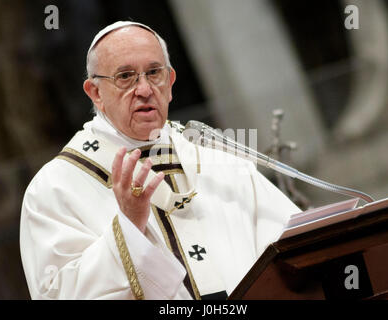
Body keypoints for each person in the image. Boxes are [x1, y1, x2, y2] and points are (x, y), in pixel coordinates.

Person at [20, 21, 301, 300]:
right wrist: (129, 226)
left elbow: (295, 246)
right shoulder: (54, 187)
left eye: (154, 73)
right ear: (95, 92)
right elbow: (56, 293)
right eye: (125, 76)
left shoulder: (215, 153)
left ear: (170, 83)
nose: (144, 89)